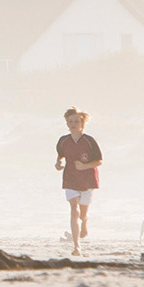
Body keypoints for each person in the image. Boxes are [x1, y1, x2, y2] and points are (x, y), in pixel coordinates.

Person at [56, 108, 103, 257]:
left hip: (87, 180)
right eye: (70, 122)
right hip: (70, 178)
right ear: (67, 124)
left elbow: (99, 160)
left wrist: (84, 166)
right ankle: (77, 247)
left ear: (82, 123)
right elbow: (60, 157)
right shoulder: (63, 141)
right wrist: (58, 164)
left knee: (82, 214)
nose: (73, 124)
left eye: (76, 121)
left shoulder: (89, 141)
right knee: (74, 210)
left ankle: (85, 223)